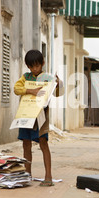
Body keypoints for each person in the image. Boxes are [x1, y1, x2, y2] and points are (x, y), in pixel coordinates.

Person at [14, 50, 63, 187]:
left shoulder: (47, 78)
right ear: (28, 66)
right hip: (26, 115)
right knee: (26, 144)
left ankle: (48, 176)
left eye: (37, 66)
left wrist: (58, 84)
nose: (34, 69)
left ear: (42, 63)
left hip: (41, 116)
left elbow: (57, 94)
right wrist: (31, 91)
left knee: (43, 143)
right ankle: (27, 174)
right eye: (31, 67)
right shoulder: (25, 77)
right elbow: (16, 89)